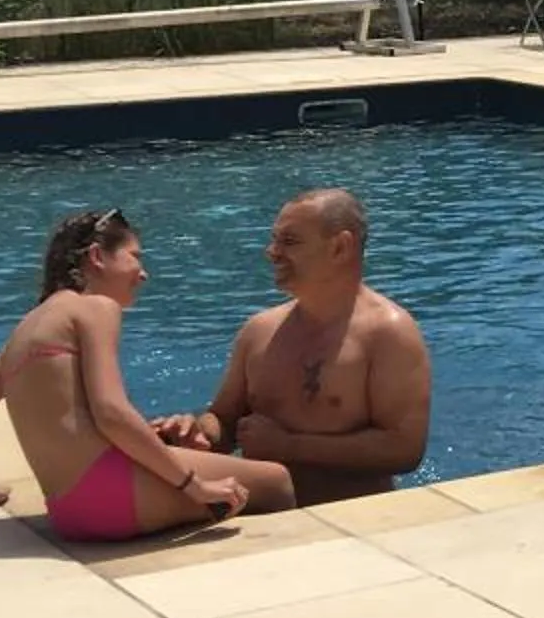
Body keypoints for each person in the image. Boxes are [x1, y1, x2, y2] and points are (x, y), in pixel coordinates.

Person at [0, 207, 297, 540]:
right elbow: (111, 412)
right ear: (98, 257)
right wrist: (194, 486)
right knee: (275, 482)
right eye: (135, 257)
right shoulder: (95, 308)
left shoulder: (25, 332)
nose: (143, 274)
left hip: (68, 513)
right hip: (114, 501)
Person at [152, 188, 431, 506]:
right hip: (264, 516)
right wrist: (195, 433)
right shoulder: (259, 330)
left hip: (350, 520)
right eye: (274, 239)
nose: (272, 252)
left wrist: (290, 446)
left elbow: (404, 449)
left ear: (340, 247)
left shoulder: (388, 333)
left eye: (290, 241)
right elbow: (225, 420)